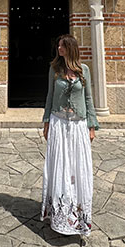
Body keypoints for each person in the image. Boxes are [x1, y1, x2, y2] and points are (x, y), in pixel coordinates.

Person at [41, 34, 99, 236]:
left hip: (78, 125)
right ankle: (59, 212)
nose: (58, 49)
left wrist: (92, 126)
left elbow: (89, 99)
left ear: (70, 48)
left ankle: (78, 210)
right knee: (60, 166)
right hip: (58, 123)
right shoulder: (54, 70)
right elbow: (49, 96)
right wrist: (46, 121)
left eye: (62, 46)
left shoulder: (84, 71)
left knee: (77, 167)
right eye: (58, 45)